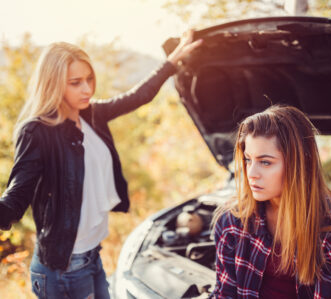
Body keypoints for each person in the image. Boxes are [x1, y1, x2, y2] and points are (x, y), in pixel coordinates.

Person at [0, 30, 202, 298]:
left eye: (89, 79)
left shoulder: (92, 115)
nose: (87, 89)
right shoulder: (37, 132)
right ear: (53, 83)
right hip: (64, 267)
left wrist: (172, 62)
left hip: (92, 255)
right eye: (75, 82)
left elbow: (139, 95)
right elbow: (16, 196)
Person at [211, 105, 331, 298]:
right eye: (248, 160)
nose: (252, 174)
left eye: (265, 162)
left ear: (299, 163)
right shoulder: (231, 221)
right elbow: (225, 295)